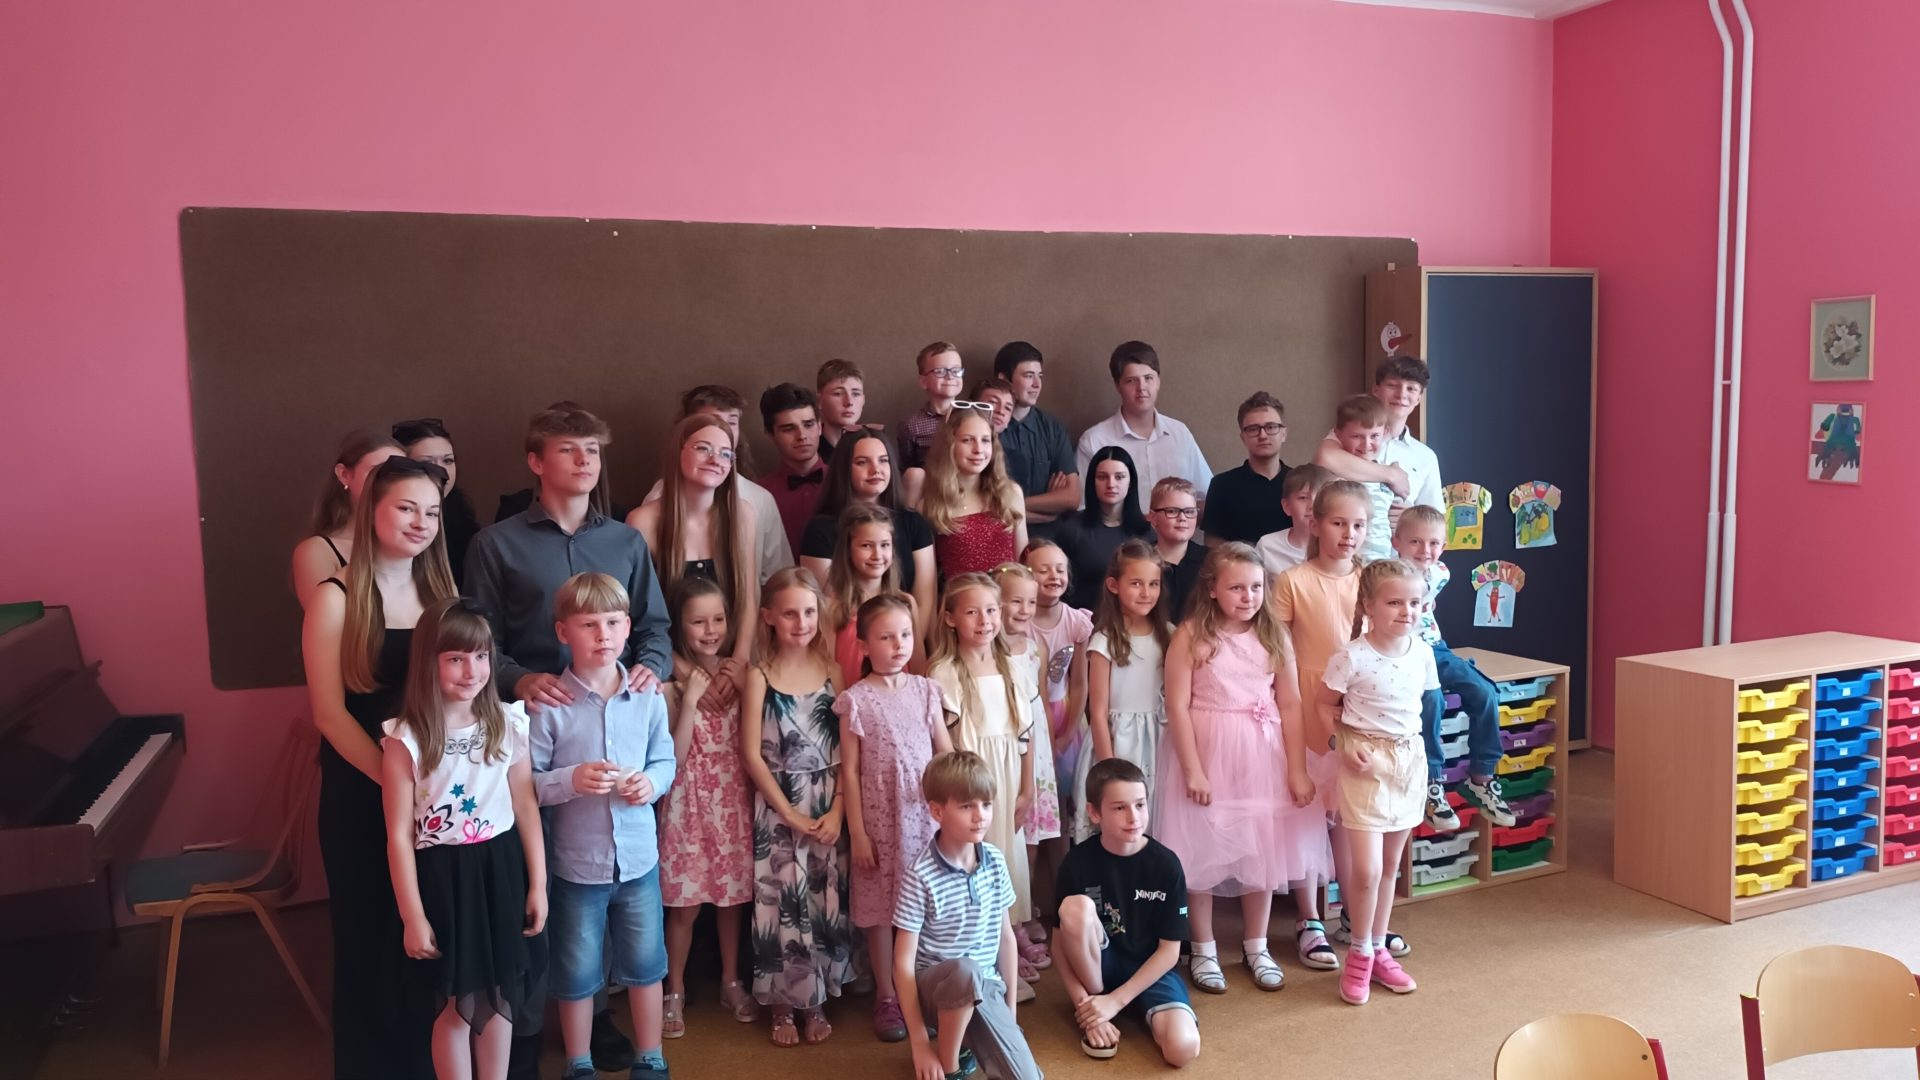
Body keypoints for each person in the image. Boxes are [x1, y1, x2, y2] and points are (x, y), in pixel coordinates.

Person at [466, 403, 665, 1075]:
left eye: (593, 451)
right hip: (531, 727)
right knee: (535, 881)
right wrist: (520, 680)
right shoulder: (496, 544)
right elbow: (480, 640)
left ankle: (597, 1018)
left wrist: (650, 668)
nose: (585, 461)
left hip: (612, 719)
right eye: (569, 449)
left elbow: (654, 630)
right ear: (536, 461)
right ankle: (523, 1026)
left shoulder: (626, 542)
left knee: (601, 878)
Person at [302, 455, 453, 1079]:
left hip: (434, 794)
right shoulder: (333, 597)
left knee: (429, 937)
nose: (421, 522)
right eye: (406, 508)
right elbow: (330, 715)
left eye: (432, 512)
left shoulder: (443, 595)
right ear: (371, 511)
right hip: (364, 791)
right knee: (371, 937)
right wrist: (397, 787)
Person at [380, 597, 548, 1080]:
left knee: (499, 997)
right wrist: (412, 916)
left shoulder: (508, 723)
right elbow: (398, 835)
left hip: (500, 871)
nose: (471, 670)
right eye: (456, 658)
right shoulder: (406, 739)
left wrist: (538, 885)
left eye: (480, 656)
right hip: (445, 880)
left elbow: (525, 804)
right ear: (428, 662)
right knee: (455, 1006)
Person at [528, 574, 678, 1080]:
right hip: (577, 865)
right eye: (588, 624)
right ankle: (579, 1063)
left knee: (646, 965)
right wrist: (571, 780)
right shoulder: (550, 706)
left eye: (613, 622)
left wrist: (651, 784)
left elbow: (665, 760)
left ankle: (650, 1056)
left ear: (629, 627)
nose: (603, 635)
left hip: (638, 863)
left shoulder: (647, 696)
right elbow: (528, 784)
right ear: (562, 632)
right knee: (576, 971)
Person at [1155, 543, 1321, 996]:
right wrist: (1192, 769)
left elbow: (1290, 703)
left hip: (1262, 755)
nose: (1248, 597)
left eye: (1256, 587)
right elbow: (1177, 705)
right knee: (1200, 849)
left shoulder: (1274, 635)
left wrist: (1297, 769)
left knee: (1261, 849)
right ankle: (1203, 948)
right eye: (1236, 588)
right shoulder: (1191, 634)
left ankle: (1256, 945)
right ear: (1212, 589)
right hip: (1208, 752)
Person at [1316, 559, 1437, 1005]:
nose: (1407, 611)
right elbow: (1322, 705)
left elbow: (1421, 710)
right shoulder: (1352, 656)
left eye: (1415, 602)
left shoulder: (1422, 653)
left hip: (1408, 763)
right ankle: (1360, 952)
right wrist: (1340, 744)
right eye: (1395, 602)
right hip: (1364, 765)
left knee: (1389, 866)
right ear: (1369, 605)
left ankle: (1377, 947)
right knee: (1365, 870)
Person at [740, 568, 853, 1045]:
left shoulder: (833, 671)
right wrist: (788, 815)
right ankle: (783, 1006)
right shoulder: (759, 675)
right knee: (782, 904)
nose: (801, 622)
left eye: (809, 612)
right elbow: (750, 754)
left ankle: (817, 999)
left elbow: (847, 750)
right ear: (768, 617)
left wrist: (838, 810)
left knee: (822, 901)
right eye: (789, 613)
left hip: (827, 802)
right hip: (779, 806)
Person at [836, 594, 953, 1045]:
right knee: (882, 910)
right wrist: (858, 832)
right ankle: (887, 994)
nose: (899, 644)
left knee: (924, 905)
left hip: (925, 821)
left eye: (905, 634)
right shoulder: (856, 700)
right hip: (880, 824)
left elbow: (945, 754)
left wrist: (956, 808)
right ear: (865, 645)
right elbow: (849, 771)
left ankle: (924, 988)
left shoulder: (926, 690)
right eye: (886, 637)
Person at [1270, 480, 1378, 965]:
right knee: (1308, 818)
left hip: (1359, 712)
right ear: (1315, 524)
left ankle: (1356, 916)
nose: (1348, 534)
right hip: (1307, 708)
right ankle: (1309, 917)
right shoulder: (1293, 581)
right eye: (1338, 523)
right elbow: (1279, 652)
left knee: (1351, 819)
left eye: (1358, 525)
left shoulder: (1371, 580)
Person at [893, 751, 1042, 1080]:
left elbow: (1005, 940)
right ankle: (950, 1067)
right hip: (936, 988)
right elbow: (902, 964)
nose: (980, 816)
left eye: (986, 805)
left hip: (986, 987)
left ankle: (966, 1041)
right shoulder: (919, 874)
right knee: (965, 970)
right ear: (937, 811)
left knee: (1027, 1077)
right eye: (966, 806)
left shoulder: (995, 861)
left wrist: (1010, 1014)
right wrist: (920, 1043)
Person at [926, 573, 1037, 1001]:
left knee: (1005, 862)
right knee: (975, 867)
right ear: (950, 618)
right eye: (972, 612)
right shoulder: (944, 672)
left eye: (991, 610)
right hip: (972, 784)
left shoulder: (1011, 666)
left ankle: (1006, 956)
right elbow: (944, 743)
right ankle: (981, 964)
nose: (984, 620)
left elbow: (1026, 735)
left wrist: (1027, 788)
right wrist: (961, 791)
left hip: (1007, 780)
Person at [655, 577, 757, 1037]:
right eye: (698, 621)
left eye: (718, 619)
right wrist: (691, 699)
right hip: (687, 805)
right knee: (686, 905)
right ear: (679, 626)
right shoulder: (670, 686)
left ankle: (731, 980)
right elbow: (673, 760)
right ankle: (673, 989)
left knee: (731, 900)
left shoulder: (742, 676)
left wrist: (745, 686)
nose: (711, 630)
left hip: (732, 801)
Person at [1052, 758, 1201, 1067]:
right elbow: (1058, 946)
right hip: (1098, 970)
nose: (1133, 817)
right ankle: (1096, 1002)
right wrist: (1088, 1010)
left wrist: (1115, 1002)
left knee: (1183, 1049)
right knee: (1075, 907)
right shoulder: (1076, 863)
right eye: (1119, 808)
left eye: (1140, 805)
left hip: (1150, 970)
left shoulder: (1166, 865)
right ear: (1094, 813)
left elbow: (1169, 952)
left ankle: (1120, 1005)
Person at [1393, 506, 1515, 830]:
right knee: (1431, 701)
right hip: (1402, 652)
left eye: (1434, 543)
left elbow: (1430, 597)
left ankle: (1481, 776)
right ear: (1397, 542)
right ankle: (1431, 783)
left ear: (1443, 546)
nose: (1425, 550)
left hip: (1435, 649)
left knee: (1485, 691)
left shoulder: (1441, 572)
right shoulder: (1385, 575)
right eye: (1415, 542)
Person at [627, 414, 759, 677]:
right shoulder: (642, 522)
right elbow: (638, 613)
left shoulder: (744, 515)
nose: (715, 460)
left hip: (731, 665)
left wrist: (738, 663)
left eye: (725, 454)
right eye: (703, 449)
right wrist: (684, 671)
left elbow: (748, 598)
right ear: (678, 452)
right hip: (667, 669)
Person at [640, 386, 794, 584]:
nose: (722, 430)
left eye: (732, 422)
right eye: (712, 421)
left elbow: (776, 574)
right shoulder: (655, 504)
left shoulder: (759, 499)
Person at [1070, 540, 1170, 844]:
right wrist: (1109, 768)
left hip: (1158, 740)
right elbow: (1098, 712)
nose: (1146, 592)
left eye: (1153, 584)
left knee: (1152, 822)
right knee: (1118, 819)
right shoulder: (1104, 640)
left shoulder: (1169, 634)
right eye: (1136, 583)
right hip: (1116, 741)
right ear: (1114, 585)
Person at [989, 562, 1060, 977]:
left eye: (1030, 602)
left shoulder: (1035, 649)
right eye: (1014, 601)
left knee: (1029, 841)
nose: (1024, 610)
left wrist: (1050, 750)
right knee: (1004, 838)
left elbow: (1041, 704)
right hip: (1005, 752)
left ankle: (1023, 912)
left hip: (1037, 752)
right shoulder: (989, 650)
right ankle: (1005, 928)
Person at [798, 429, 938, 635]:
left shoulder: (914, 523)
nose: (876, 469)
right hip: (846, 641)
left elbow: (925, 601)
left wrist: (907, 644)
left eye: (883, 460)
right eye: (862, 462)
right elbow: (826, 606)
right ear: (844, 469)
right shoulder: (820, 530)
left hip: (906, 641)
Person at [1075, 341, 1212, 514]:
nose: (1142, 388)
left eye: (1148, 378)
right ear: (1118, 386)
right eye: (1131, 381)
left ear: (1158, 381)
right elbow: (1082, 508)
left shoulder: (1179, 433)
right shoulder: (1094, 441)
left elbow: (1207, 496)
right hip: (1122, 532)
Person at [1314, 356, 1443, 537]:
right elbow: (1324, 458)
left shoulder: (1425, 457)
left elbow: (1437, 521)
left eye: (1411, 389)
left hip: (1398, 552)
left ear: (1419, 398)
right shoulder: (1353, 437)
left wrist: (1412, 518)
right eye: (1393, 386)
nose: (1401, 395)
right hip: (1345, 547)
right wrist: (1391, 475)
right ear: (1376, 390)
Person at [1022, 539, 1092, 836]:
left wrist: (1065, 737)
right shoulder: (1018, 623)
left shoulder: (1077, 622)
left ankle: (1062, 859)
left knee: (1062, 804)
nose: (1054, 576)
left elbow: (1079, 683)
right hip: (1029, 717)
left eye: (1060, 569)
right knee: (1032, 800)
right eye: (1044, 570)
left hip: (1065, 716)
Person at [293, 426, 403, 610]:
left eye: (400, 473)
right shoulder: (316, 551)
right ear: (344, 475)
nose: (390, 482)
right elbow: (327, 621)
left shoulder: (412, 542)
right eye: (377, 471)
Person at [918, 408, 1029, 579]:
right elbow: (927, 579)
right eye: (967, 440)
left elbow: (1024, 565)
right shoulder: (930, 505)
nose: (978, 449)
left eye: (985, 440)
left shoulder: (1011, 493)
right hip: (960, 595)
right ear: (949, 446)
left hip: (1008, 594)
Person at [993, 342, 1080, 537]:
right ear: (1004, 379)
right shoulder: (985, 427)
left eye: (1040, 376)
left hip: (1049, 540)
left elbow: (1071, 497)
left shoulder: (1052, 427)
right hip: (1000, 538)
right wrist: (1047, 504)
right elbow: (986, 504)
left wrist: (1014, 506)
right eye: (1028, 376)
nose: (1037, 384)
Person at [1055, 446, 1151, 612]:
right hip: (1084, 621)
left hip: (1135, 619)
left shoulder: (1146, 532)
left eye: (1119, 477)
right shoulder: (1071, 530)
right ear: (1092, 482)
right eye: (1102, 477)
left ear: (1130, 482)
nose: (1111, 484)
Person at [825, 504, 908, 689]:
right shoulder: (834, 607)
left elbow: (918, 666)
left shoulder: (905, 603)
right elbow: (829, 668)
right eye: (866, 546)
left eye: (884, 545)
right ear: (848, 550)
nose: (877, 555)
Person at [395, 418, 481, 590]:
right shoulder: (394, 521)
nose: (441, 471)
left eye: (448, 461)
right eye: (427, 462)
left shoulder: (465, 523)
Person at [1201, 391, 1292, 546]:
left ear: (1283, 434)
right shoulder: (1221, 485)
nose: (1262, 435)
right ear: (1243, 437)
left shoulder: (1301, 484)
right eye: (1253, 429)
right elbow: (1213, 545)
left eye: (1271, 427)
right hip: (1237, 561)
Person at [1317, 395, 1396, 563]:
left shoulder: (1386, 472)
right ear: (1338, 433)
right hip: (1348, 563)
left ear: (1385, 433)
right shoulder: (1335, 476)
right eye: (1357, 436)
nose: (1366, 444)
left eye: (1374, 436)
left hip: (1384, 562)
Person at [758, 383, 827, 555]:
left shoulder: (846, 481)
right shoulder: (759, 495)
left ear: (820, 427)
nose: (802, 436)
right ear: (770, 435)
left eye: (808, 425)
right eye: (788, 429)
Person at [896, 341, 966, 471]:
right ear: (923, 381)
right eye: (940, 371)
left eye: (956, 370)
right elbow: (907, 470)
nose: (950, 376)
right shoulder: (911, 425)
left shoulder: (974, 417)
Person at [1254, 464, 1331, 576]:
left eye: (1320, 497)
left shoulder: (1340, 545)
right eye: (1303, 498)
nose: (1312, 505)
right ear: (1287, 506)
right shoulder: (1267, 546)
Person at [1148, 477, 1204, 620]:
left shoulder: (1211, 561)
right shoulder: (1140, 560)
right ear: (1153, 518)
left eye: (1189, 511)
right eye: (1172, 511)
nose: (1182, 517)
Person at [815, 358, 870, 460]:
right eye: (838, 394)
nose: (849, 402)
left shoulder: (874, 447)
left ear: (863, 400)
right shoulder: (810, 451)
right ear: (819, 401)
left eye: (856, 394)